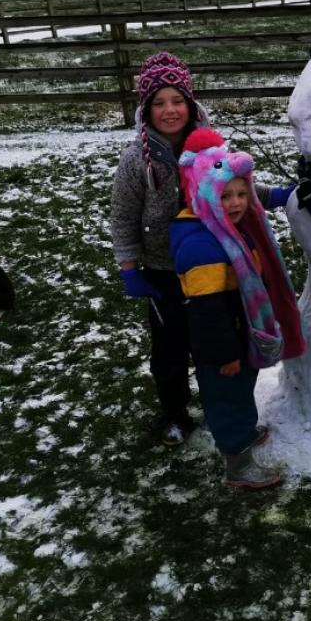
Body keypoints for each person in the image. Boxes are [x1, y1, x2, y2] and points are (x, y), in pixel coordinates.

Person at [171, 129, 305, 489]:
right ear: (203, 193)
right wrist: (225, 353)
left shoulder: (225, 229)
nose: (236, 203)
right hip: (222, 347)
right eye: (225, 195)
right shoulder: (203, 245)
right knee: (227, 399)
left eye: (242, 194)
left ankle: (243, 431)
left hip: (236, 336)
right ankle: (238, 463)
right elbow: (207, 311)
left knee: (241, 391)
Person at [110, 51, 208, 446]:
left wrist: (273, 195)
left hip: (208, 265)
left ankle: (221, 406)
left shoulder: (208, 149)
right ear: (146, 110)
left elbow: (237, 190)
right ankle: (174, 412)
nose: (170, 111)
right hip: (161, 269)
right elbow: (122, 217)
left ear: (190, 104)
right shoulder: (136, 161)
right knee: (169, 347)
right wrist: (130, 268)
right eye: (159, 103)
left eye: (177, 101)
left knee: (212, 342)